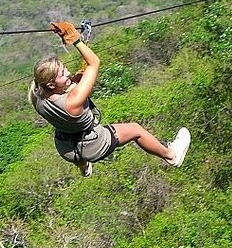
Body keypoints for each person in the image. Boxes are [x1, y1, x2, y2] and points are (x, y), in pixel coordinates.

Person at [28, 20, 190, 177]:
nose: (68, 73)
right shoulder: (73, 101)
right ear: (50, 84)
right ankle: (171, 156)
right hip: (94, 145)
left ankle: (84, 167)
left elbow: (77, 78)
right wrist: (76, 41)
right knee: (135, 129)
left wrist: (82, 41)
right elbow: (94, 64)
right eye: (63, 73)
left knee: (77, 82)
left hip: (67, 150)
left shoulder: (37, 96)